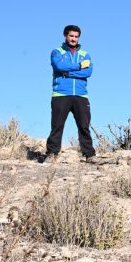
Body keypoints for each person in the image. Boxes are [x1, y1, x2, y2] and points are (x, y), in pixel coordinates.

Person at [43, 24, 96, 163]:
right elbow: (59, 66)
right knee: (57, 125)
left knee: (84, 126)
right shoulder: (57, 51)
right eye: (71, 36)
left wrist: (68, 73)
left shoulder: (85, 54)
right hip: (60, 94)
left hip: (81, 95)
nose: (73, 39)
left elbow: (88, 72)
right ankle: (52, 153)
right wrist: (79, 66)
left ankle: (89, 155)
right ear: (65, 36)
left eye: (76, 36)